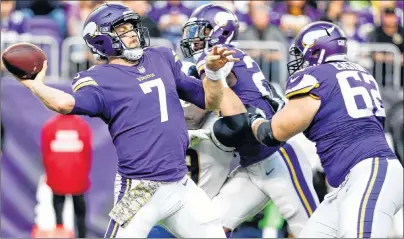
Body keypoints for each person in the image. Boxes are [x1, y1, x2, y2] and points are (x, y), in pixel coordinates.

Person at [10, 3, 240, 238]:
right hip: (140, 189)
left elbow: (210, 101)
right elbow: (64, 103)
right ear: (102, 40)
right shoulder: (99, 78)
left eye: (132, 27)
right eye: (122, 29)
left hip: (180, 184)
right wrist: (36, 86)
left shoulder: (160, 57)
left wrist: (212, 73)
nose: (132, 33)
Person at [248, 21, 403, 238]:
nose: (299, 61)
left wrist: (254, 119)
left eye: (302, 52)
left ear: (316, 50)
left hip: (368, 173)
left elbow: (273, 134)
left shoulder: (315, 76)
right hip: (360, 177)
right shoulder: (361, 71)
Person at [180, 4, 319, 237]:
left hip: (279, 157)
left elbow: (201, 111)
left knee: (312, 231)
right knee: (209, 229)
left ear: (218, 32)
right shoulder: (230, 54)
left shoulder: (216, 55)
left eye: (201, 31)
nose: (193, 38)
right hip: (251, 164)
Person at [41, 114, 91, 238]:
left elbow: (45, 154)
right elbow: (87, 154)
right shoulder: (82, 126)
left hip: (57, 177)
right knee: (80, 211)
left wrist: (50, 175)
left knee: (58, 209)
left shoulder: (50, 126)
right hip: (77, 177)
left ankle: (60, 234)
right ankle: (82, 235)